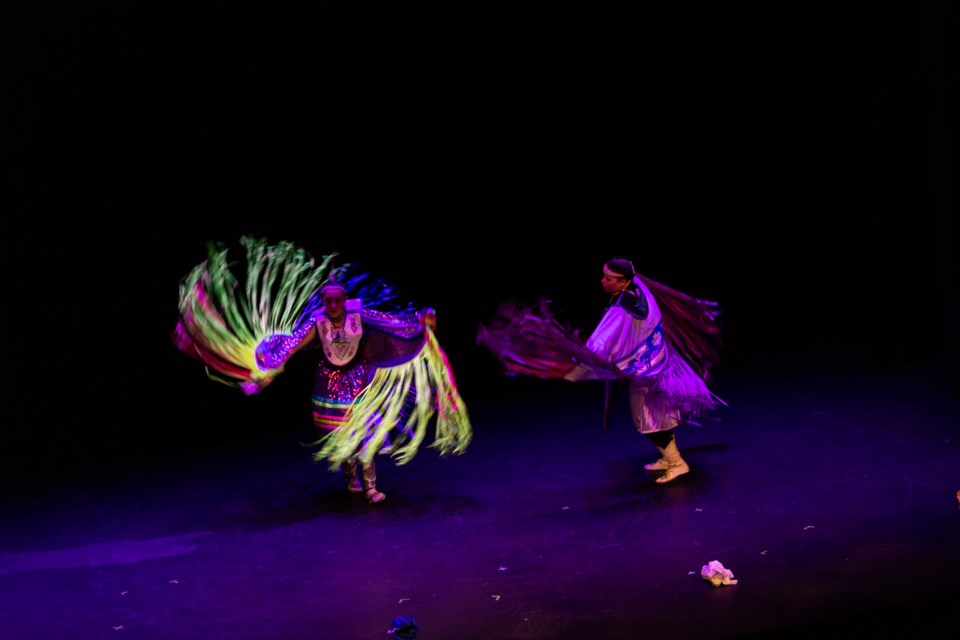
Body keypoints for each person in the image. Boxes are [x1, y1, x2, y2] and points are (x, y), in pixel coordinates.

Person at [174, 237, 473, 504]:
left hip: (359, 382)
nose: (332, 304)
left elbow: (391, 321)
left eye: (336, 300)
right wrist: (261, 376)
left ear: (343, 300)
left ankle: (370, 487)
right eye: (328, 300)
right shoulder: (315, 323)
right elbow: (289, 347)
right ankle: (352, 479)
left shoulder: (360, 315)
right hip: (329, 384)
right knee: (342, 440)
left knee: (364, 437)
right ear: (324, 301)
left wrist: (420, 319)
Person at [478, 256, 724, 484]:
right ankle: (669, 458)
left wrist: (579, 363)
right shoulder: (637, 286)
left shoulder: (624, 309)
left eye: (608, 278)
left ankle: (677, 463)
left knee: (650, 422)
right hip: (656, 363)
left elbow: (604, 341)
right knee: (654, 419)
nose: (602, 281)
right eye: (604, 276)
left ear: (624, 281)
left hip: (650, 372)